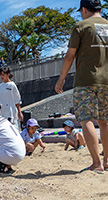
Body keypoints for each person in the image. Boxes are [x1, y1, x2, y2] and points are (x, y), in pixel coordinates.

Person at [55, 0, 108, 173]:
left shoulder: (81, 26)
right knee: (105, 122)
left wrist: (61, 79)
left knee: (86, 120)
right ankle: (107, 161)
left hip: (86, 80)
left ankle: (96, 163)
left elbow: (70, 56)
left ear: (84, 9)